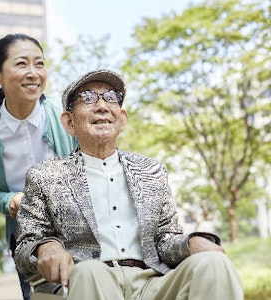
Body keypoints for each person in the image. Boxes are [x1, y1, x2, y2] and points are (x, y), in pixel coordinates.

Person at [14, 69, 244, 300]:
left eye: (111, 97)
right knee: (89, 271)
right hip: (90, 279)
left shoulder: (152, 171)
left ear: (122, 119)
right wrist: (46, 248)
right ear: (69, 122)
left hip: (152, 281)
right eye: (88, 98)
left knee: (214, 262)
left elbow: (165, 240)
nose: (102, 105)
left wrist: (190, 243)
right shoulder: (44, 175)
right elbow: (25, 246)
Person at [0, 33, 77, 300]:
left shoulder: (66, 117)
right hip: (28, 242)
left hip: (81, 233)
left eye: (39, 64)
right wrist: (11, 200)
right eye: (21, 64)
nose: (33, 73)